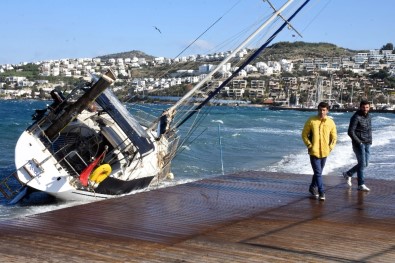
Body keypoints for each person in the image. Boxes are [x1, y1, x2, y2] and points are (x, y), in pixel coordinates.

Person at [302, 102, 337, 201]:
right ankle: (321, 191)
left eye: (324, 110)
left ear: (327, 111)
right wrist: (309, 145)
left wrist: (330, 147)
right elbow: (304, 134)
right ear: (318, 110)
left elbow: (334, 137)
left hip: (325, 152)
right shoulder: (311, 120)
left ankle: (312, 187)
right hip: (314, 152)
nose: (322, 112)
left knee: (319, 172)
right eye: (320, 110)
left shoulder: (330, 122)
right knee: (318, 173)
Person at [342, 100, 372, 191]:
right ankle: (361, 184)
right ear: (360, 107)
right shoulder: (356, 117)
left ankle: (348, 174)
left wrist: (370, 141)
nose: (365, 109)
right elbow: (350, 131)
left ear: (369, 107)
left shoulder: (369, 116)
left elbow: (369, 129)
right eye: (363, 107)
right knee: (362, 164)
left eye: (367, 107)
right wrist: (359, 142)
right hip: (359, 144)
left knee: (365, 164)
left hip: (367, 143)